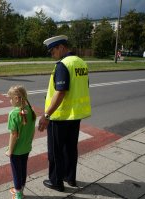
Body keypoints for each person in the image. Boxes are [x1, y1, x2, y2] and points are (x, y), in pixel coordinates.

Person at [38, 35, 91, 192]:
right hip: (75, 115)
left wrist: (46, 115)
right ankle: (70, 178)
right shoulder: (81, 63)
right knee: (70, 149)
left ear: (61, 47)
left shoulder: (63, 65)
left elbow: (60, 92)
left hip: (59, 116)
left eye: (52, 51)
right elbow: (84, 86)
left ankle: (56, 181)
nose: (52, 55)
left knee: (55, 151)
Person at [5, 85, 36, 199]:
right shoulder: (31, 110)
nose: (10, 101)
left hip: (17, 150)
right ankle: (21, 189)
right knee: (23, 169)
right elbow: (32, 131)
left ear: (17, 98)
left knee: (16, 172)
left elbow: (14, 135)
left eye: (11, 98)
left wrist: (10, 150)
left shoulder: (13, 114)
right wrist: (29, 143)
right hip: (26, 148)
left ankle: (18, 194)